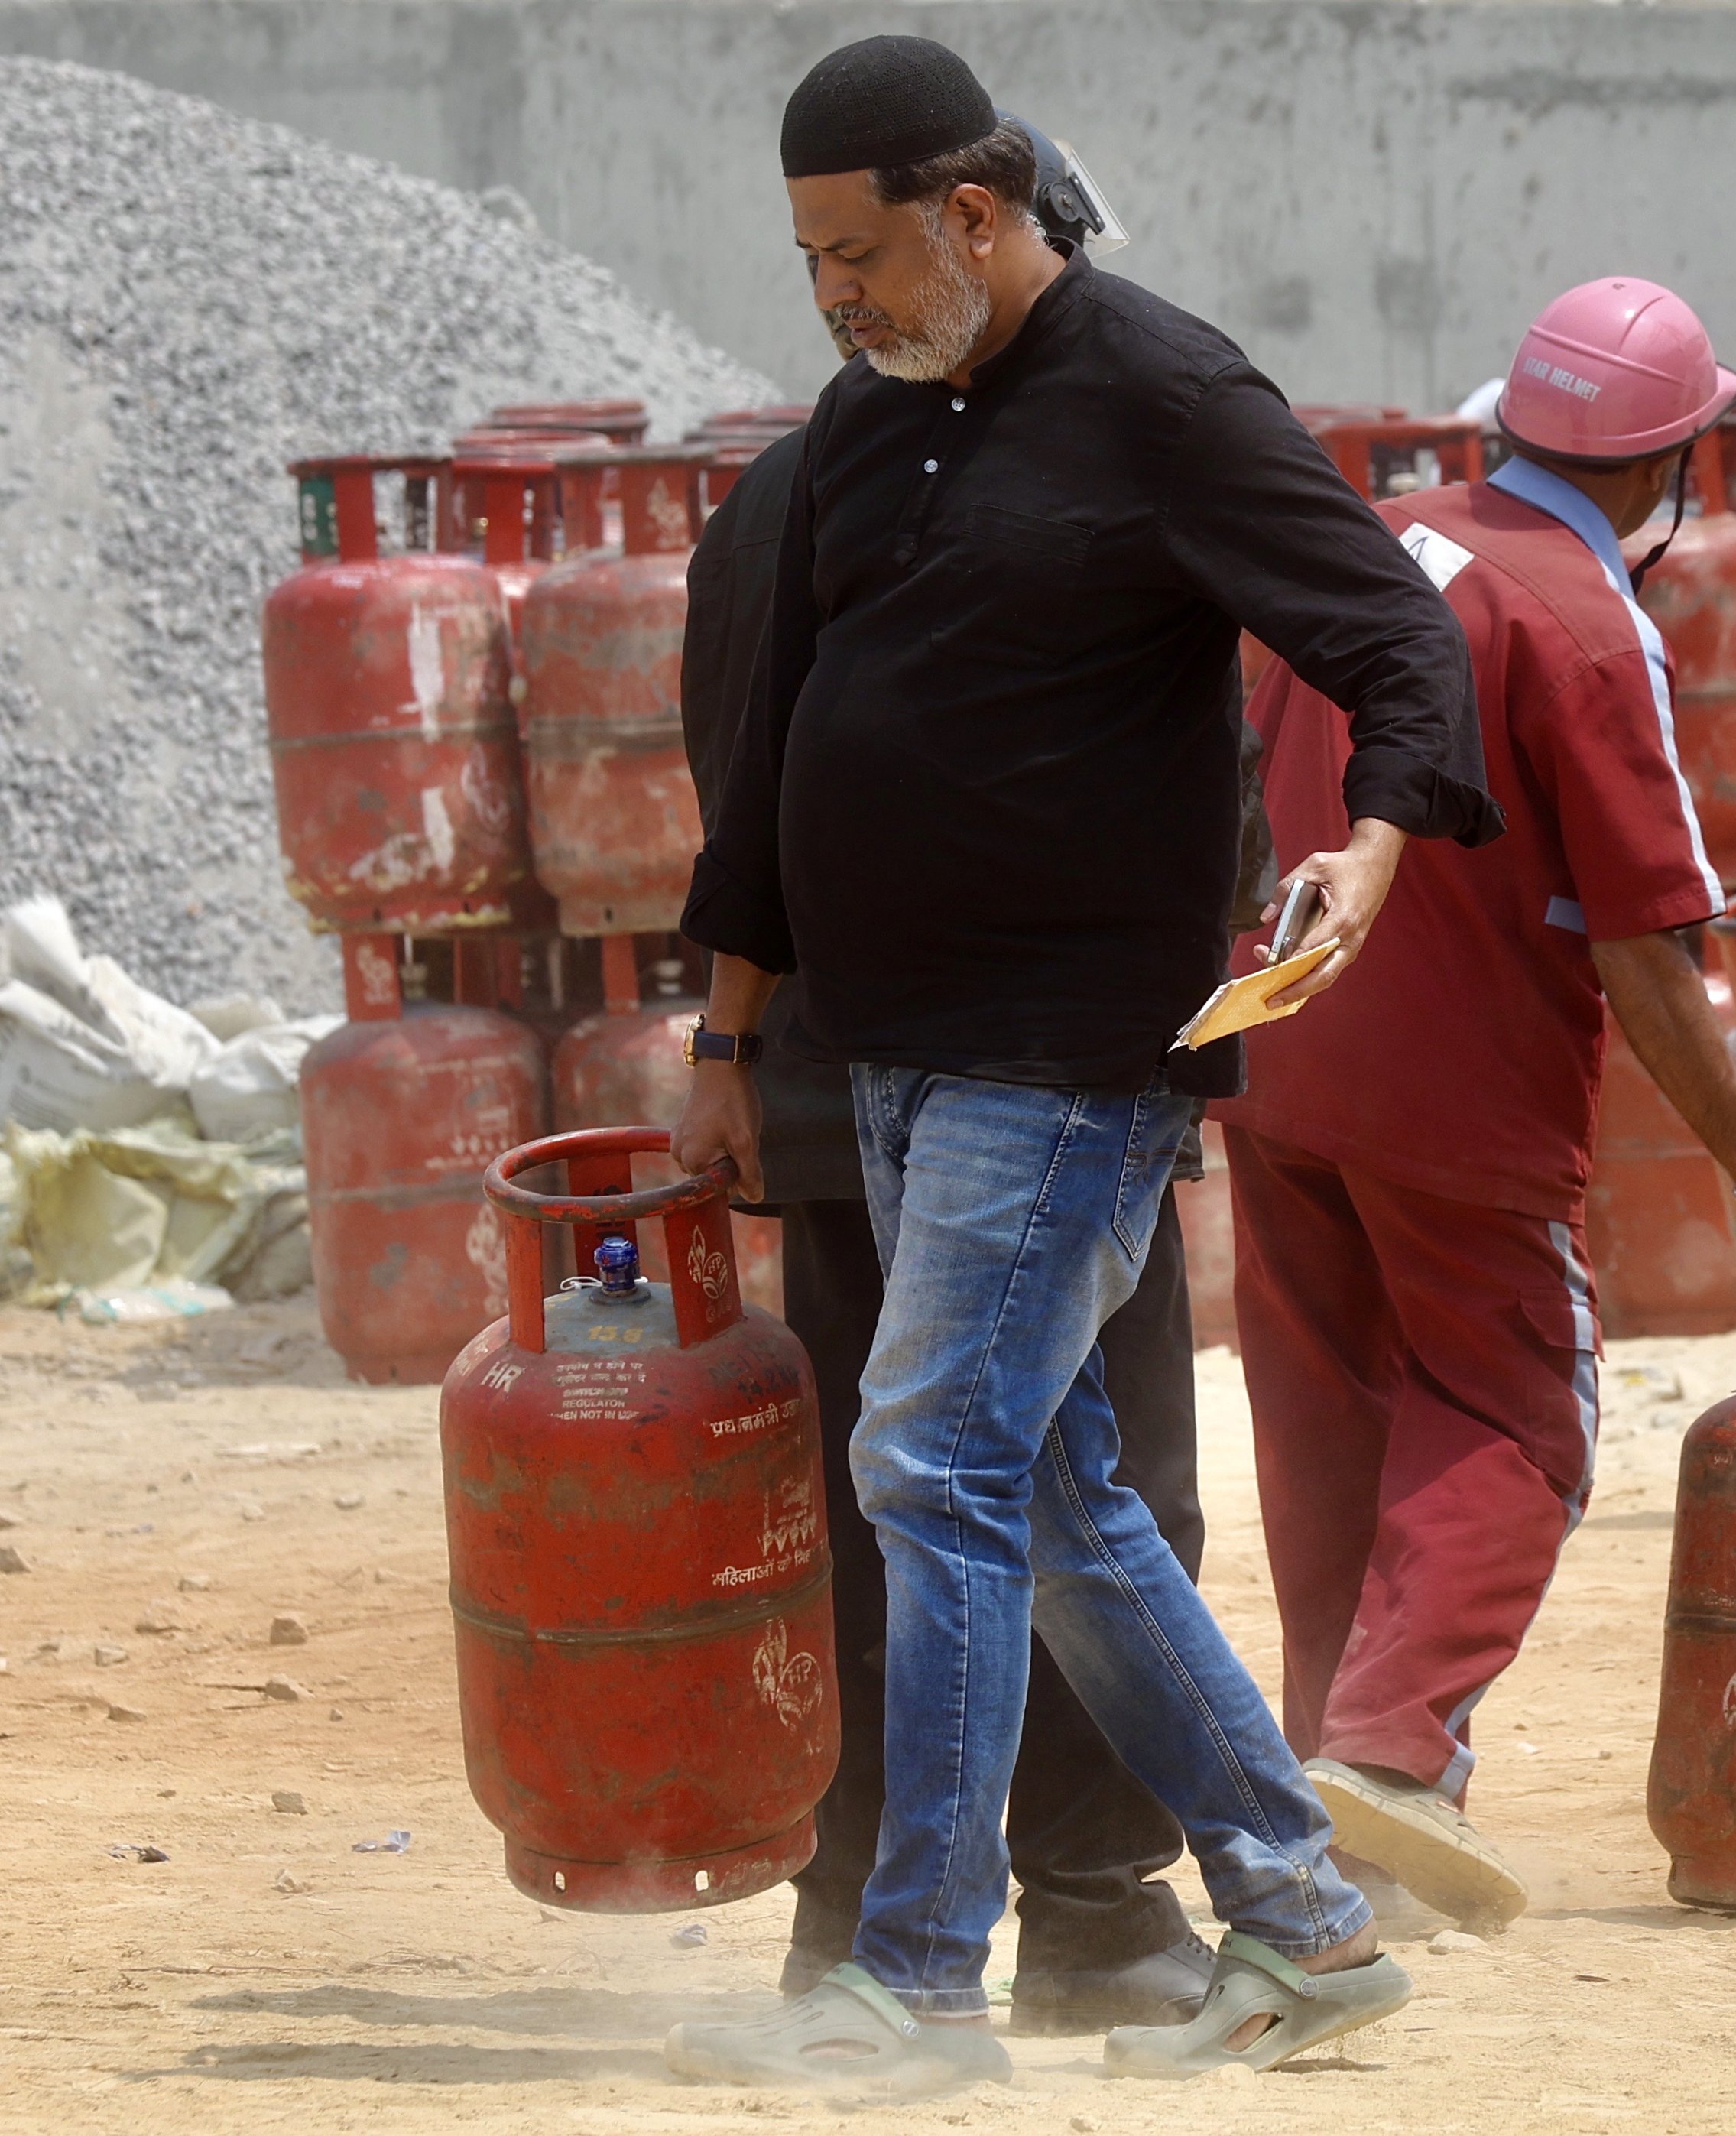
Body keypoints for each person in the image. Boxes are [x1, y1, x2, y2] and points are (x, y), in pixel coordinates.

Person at [662, 35, 1500, 2092]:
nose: (833, 297)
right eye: (806, 264)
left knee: (929, 1465)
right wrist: (727, 1027)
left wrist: (1371, 840)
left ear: (969, 212)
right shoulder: (866, 430)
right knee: (1048, 1494)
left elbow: (1394, 636)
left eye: (855, 253)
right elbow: (774, 757)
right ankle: (1300, 1920)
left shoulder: (1159, 390)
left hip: (1065, 1053)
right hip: (881, 1050)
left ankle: (921, 1983)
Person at [672, 128, 1231, 2030]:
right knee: (1088, 1490)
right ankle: (1087, 1910)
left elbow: (737, 804)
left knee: (892, 1502)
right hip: (1028, 1085)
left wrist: (733, 1045)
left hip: (844, 1099)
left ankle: (857, 1920)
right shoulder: (1042, 483)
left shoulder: (772, 497)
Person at [1214, 280, 1736, 1930]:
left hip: (1276, 1057)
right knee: (1516, 1420)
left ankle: (1331, 1817)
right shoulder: (1582, 621)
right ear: (1669, 465)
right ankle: (1391, 1744)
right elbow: (1647, 946)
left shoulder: (1369, 536)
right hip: (1463, 1101)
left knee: (1330, 1429)